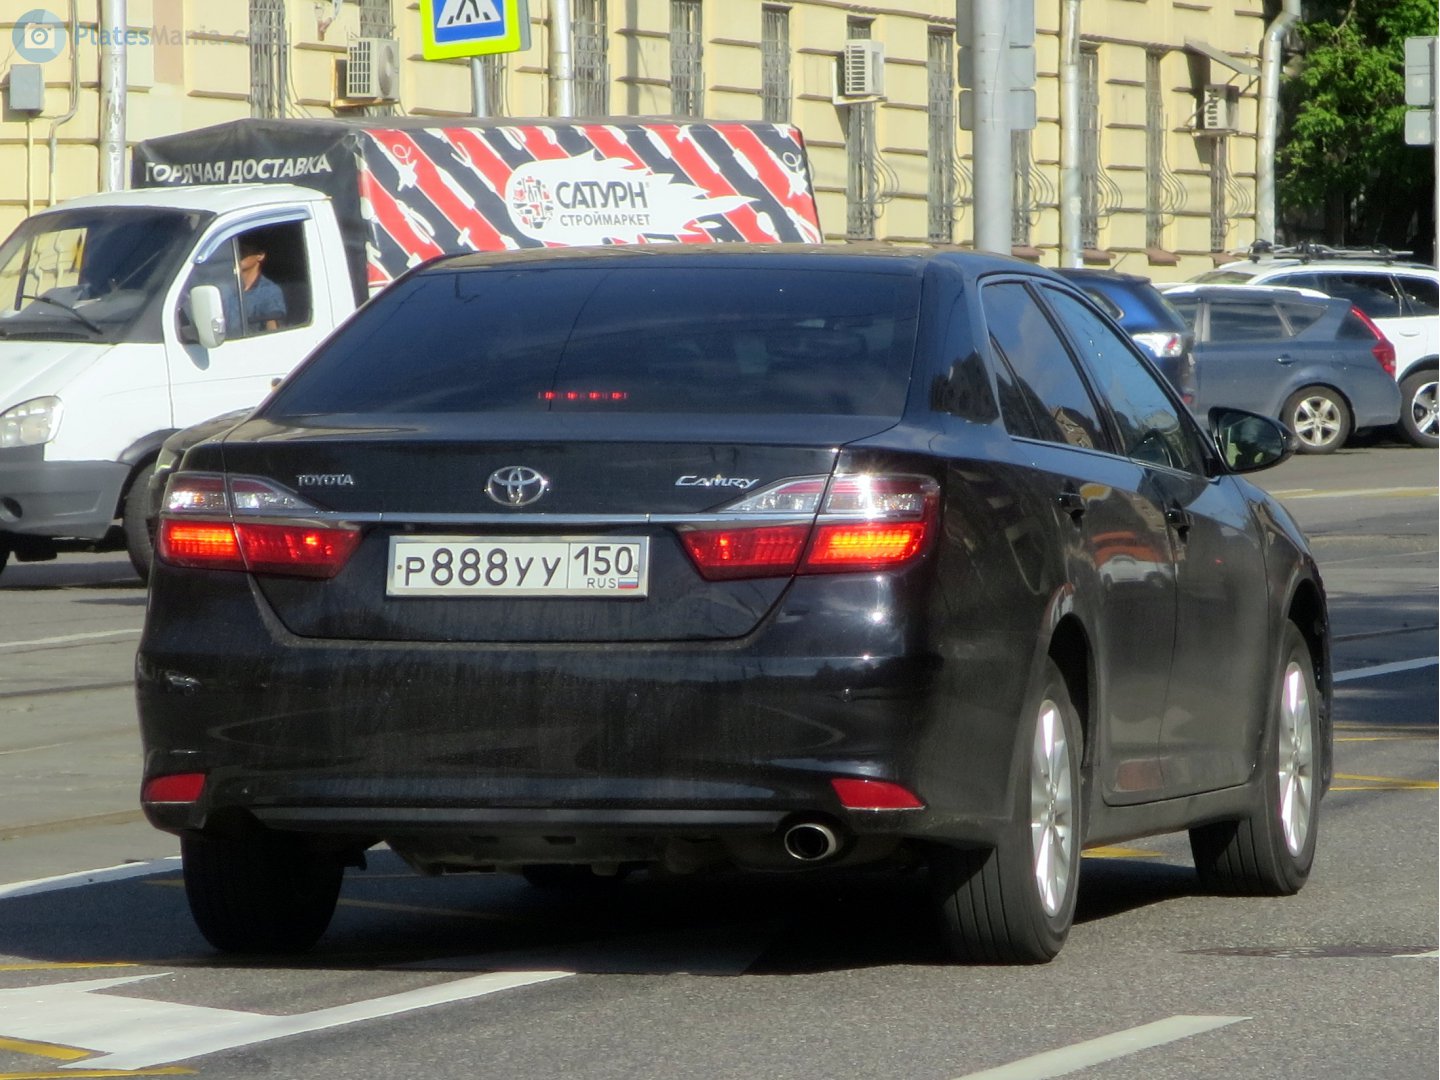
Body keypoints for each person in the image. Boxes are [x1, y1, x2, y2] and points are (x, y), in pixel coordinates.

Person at [221, 235, 286, 335]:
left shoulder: (269, 291)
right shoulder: (225, 288)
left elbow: (273, 332)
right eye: (236, 250)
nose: (238, 255)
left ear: (260, 255)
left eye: (244, 251)